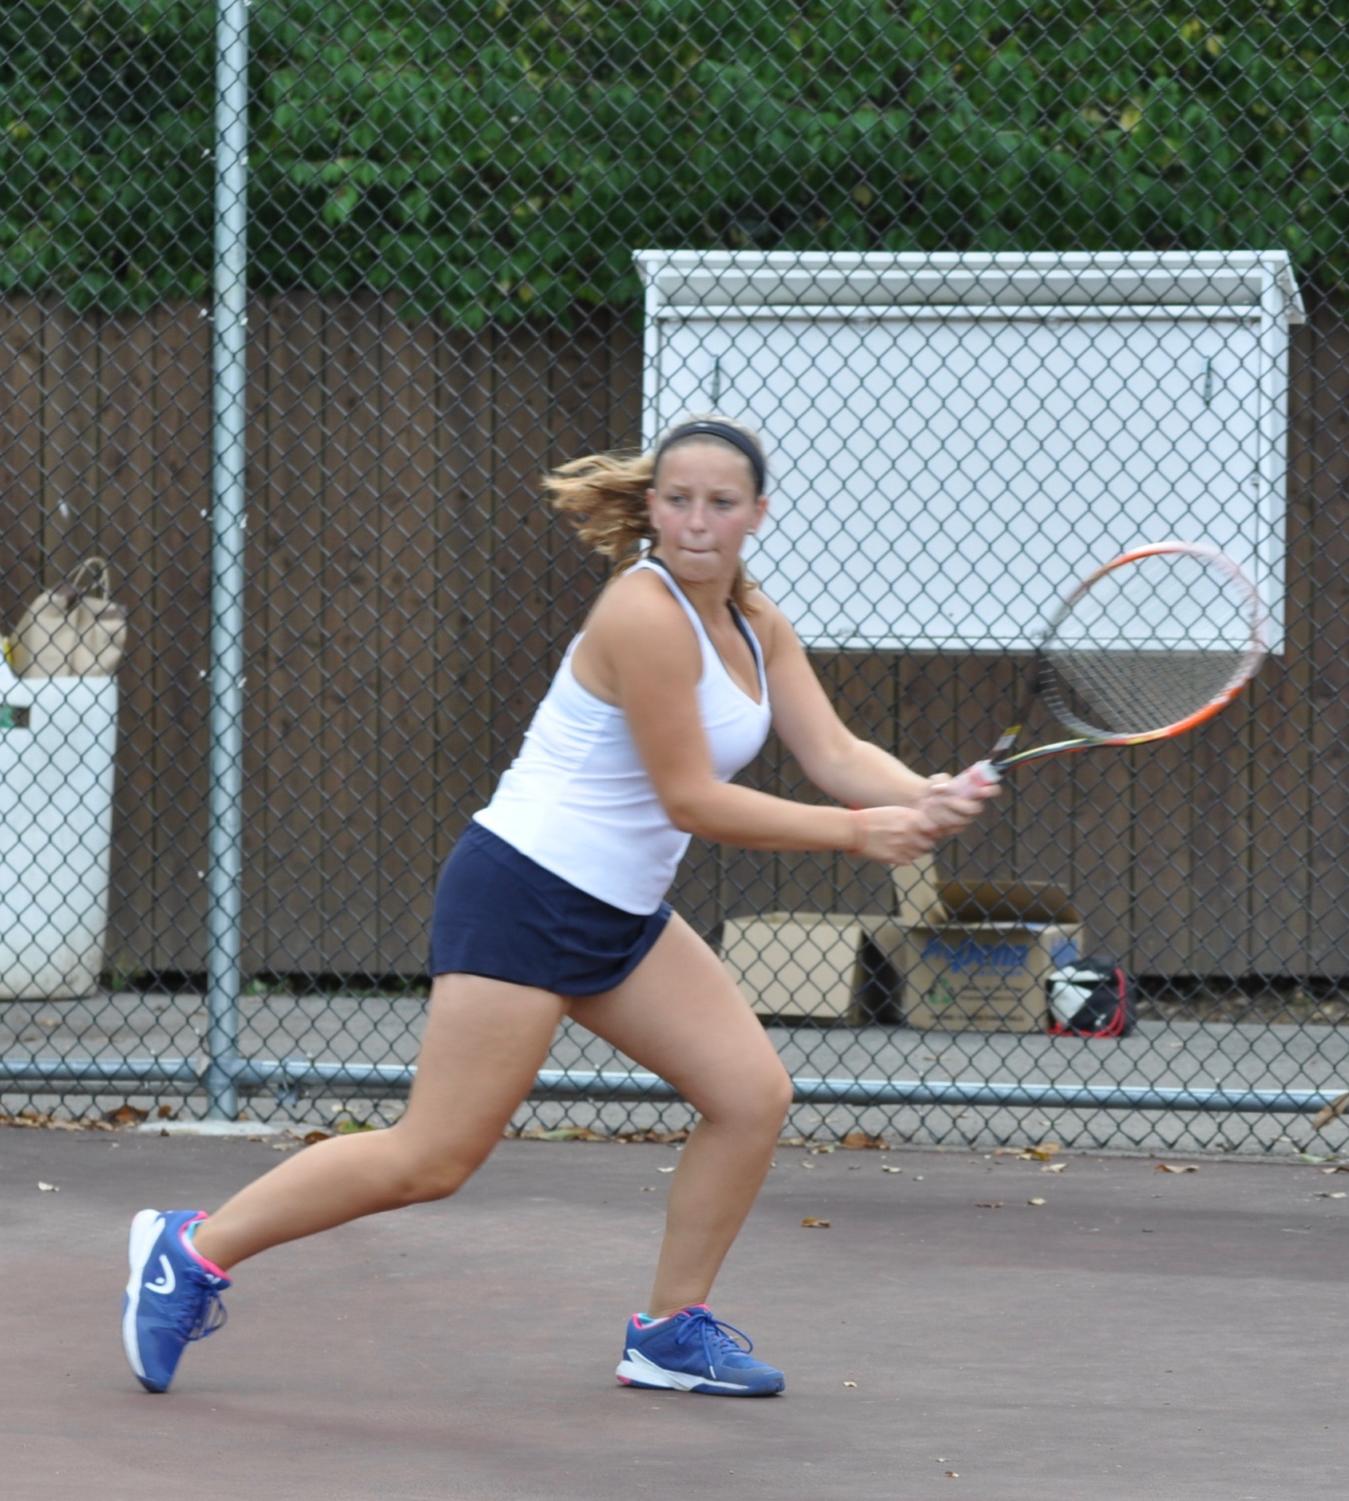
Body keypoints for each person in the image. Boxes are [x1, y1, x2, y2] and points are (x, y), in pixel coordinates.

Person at [121, 414, 997, 1399]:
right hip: (524, 893)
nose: (696, 521)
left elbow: (833, 753)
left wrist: (918, 793)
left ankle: (668, 1331)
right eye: (677, 500)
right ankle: (189, 1250)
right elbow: (691, 800)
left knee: (750, 1096)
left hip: (620, 913)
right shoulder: (640, 613)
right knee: (433, 1157)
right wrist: (856, 834)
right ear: (652, 507)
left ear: (757, 513)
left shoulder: (757, 624)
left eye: (720, 503)